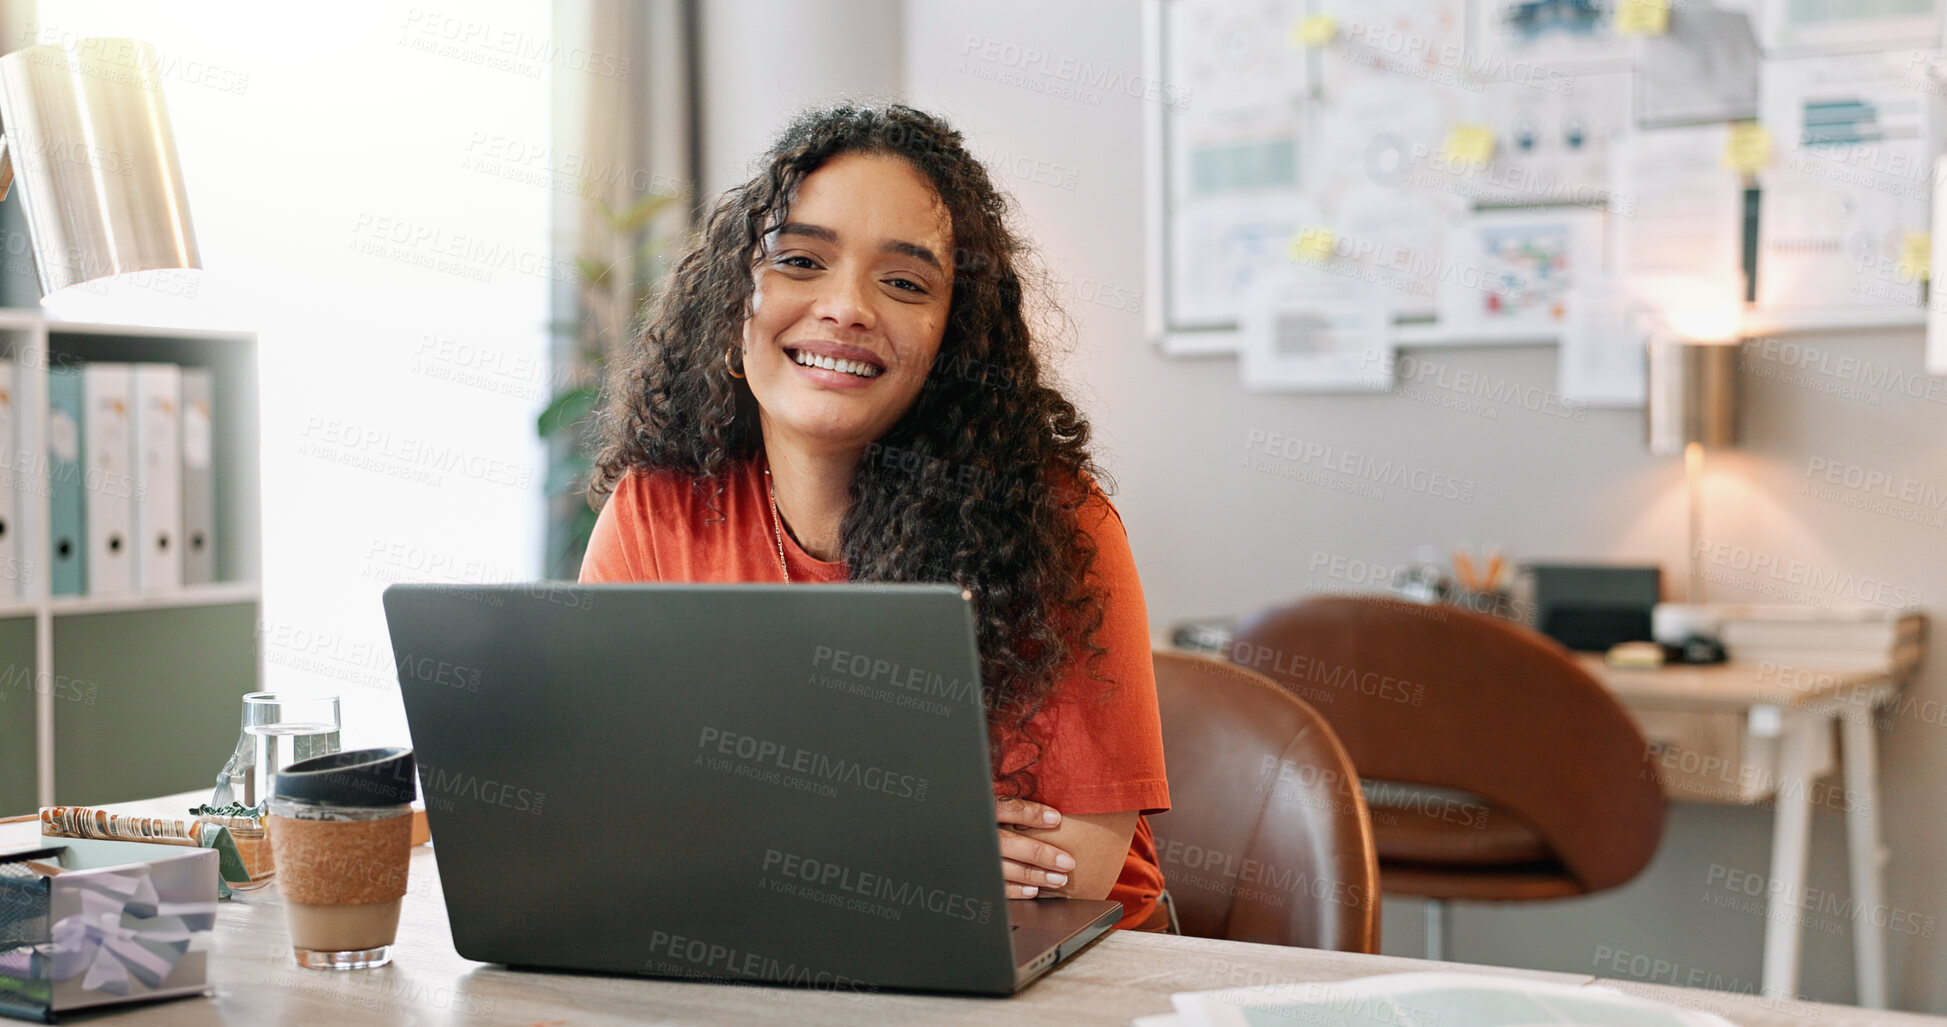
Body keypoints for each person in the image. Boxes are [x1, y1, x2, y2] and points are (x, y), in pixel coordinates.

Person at [578, 103, 1171, 932]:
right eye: (799, 260)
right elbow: (605, 809)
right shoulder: (658, 507)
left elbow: (1069, 866)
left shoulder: (1054, 525)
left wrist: (733, 831)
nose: (845, 307)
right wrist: (899, 851)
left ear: (950, 340)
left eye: (904, 281)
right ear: (732, 301)